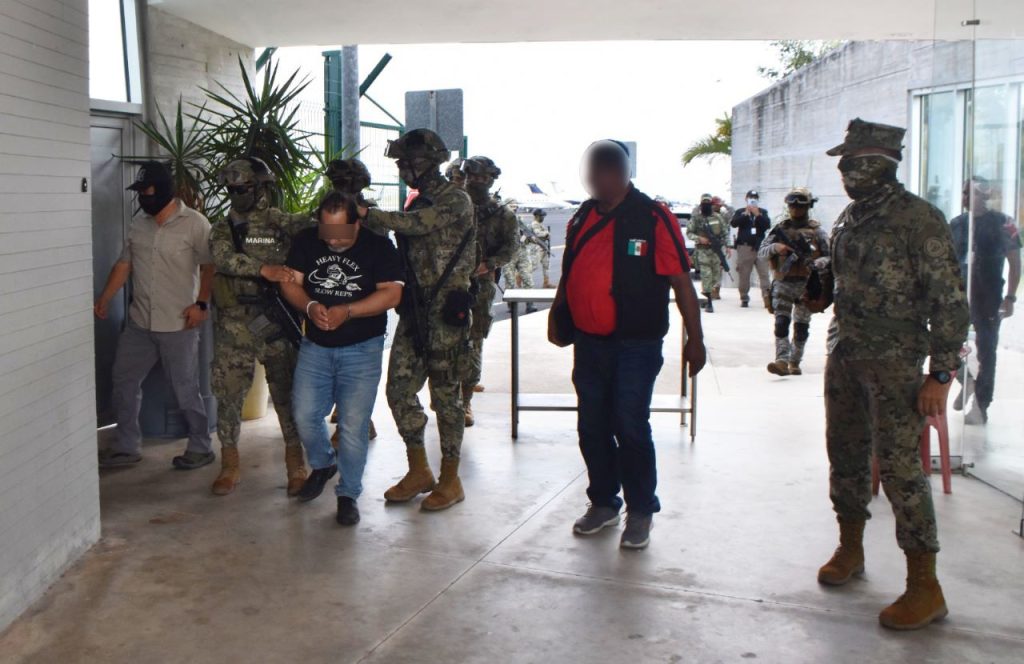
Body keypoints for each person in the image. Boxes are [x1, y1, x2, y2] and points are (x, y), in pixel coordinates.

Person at [814, 118, 969, 630]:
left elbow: (949, 302)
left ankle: (925, 585)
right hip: (846, 353)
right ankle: (851, 548)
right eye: (843, 163)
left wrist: (940, 375)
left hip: (897, 362)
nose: (844, 171)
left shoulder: (917, 219)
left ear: (880, 163)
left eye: (852, 162)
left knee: (901, 469)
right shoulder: (850, 217)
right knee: (845, 453)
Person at [550, 140, 707, 550]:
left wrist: (696, 339)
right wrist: (558, 314)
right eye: (590, 172)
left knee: (630, 425)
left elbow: (681, 282)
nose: (593, 180)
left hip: (636, 345)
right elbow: (571, 272)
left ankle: (640, 510)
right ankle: (604, 502)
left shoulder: (652, 216)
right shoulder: (582, 216)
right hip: (589, 344)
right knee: (592, 426)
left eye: (602, 171)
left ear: (622, 174)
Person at [356, 128, 476, 511]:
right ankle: (419, 469)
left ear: (428, 162)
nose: (402, 168)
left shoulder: (454, 199)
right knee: (398, 390)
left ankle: (451, 479)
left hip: (446, 314)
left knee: (446, 397)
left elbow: (419, 224)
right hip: (416, 311)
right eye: (400, 163)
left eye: (408, 162)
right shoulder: (416, 200)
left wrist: (369, 214)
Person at [279, 192, 403, 525]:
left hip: (363, 349)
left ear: (356, 224)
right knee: (304, 414)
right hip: (315, 346)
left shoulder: (379, 246)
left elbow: (392, 294)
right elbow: (290, 283)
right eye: (327, 233)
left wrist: (348, 311)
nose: (333, 241)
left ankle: (348, 494)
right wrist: (309, 306)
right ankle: (323, 464)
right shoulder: (307, 240)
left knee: (352, 425)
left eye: (341, 234)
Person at [94, 161, 216, 470]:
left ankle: (201, 446)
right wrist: (105, 298)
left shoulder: (195, 223)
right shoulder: (139, 224)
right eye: (140, 192)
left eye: (147, 192)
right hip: (140, 323)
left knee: (185, 389)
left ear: (163, 190)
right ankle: (126, 446)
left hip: (179, 323)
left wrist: (201, 304)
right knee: (124, 381)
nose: (143, 198)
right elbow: (125, 264)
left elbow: (210, 266)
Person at [207, 158, 311, 496]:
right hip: (234, 322)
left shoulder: (281, 222)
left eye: (244, 188)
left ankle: (295, 464)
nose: (237, 194)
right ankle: (229, 464)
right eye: (232, 190)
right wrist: (263, 269)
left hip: (274, 319)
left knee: (286, 392)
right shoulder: (223, 227)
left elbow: (318, 228)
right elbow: (223, 258)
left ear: (261, 187)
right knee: (228, 392)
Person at [949, 178, 1021, 425]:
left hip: (989, 297)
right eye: (964, 193)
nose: (966, 197)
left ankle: (981, 404)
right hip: (958, 298)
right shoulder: (957, 224)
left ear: (985, 196)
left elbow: (1015, 262)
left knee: (986, 352)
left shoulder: (1003, 222)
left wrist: (1010, 298)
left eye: (972, 193)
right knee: (947, 346)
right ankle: (967, 381)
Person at [459, 155, 519, 426]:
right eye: (472, 177)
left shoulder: (502, 215)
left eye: (483, 178)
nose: (477, 182)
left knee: (473, 340)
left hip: (481, 285)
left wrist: (488, 264)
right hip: (448, 283)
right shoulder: (453, 207)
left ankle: (465, 400)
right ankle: (445, 394)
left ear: (492, 180)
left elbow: (511, 248)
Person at [325, 157, 380, 442]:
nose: (344, 187)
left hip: (361, 300)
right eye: (339, 182)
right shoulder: (326, 213)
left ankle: (359, 421)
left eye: (349, 182)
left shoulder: (370, 215)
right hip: (330, 297)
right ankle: (346, 412)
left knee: (359, 368)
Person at [758, 187, 830, 376]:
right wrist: (776, 247)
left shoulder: (817, 232)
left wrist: (817, 263)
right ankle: (781, 360)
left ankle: (795, 361)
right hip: (783, 282)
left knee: (801, 326)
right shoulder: (780, 230)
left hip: (807, 284)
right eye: (792, 206)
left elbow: (829, 256)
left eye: (800, 206)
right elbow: (762, 251)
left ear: (808, 207)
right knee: (781, 322)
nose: (796, 210)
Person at [686, 193, 730, 311]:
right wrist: (699, 239)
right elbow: (689, 233)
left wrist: (728, 246)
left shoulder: (717, 217)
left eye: (708, 203)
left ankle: (707, 296)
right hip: (702, 251)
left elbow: (725, 232)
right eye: (704, 203)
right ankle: (709, 302)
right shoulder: (696, 218)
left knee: (716, 277)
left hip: (716, 251)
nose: (706, 205)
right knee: (706, 275)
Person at [731, 189, 772, 309]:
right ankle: (744, 297)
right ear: (746, 199)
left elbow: (767, 225)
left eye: (755, 198)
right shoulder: (740, 212)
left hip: (760, 248)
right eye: (750, 198)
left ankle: (767, 297)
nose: (753, 200)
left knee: (764, 274)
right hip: (745, 247)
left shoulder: (763, 212)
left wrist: (757, 215)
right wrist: (746, 214)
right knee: (744, 274)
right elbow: (734, 223)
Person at [502, 218, 538, 312]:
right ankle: (511, 305)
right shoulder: (503, 224)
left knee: (527, 278)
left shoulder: (523, 225)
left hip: (523, 255)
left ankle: (530, 304)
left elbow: (533, 240)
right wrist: (521, 237)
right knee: (509, 280)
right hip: (509, 255)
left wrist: (531, 237)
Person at [530, 209, 554, 288]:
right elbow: (538, 234)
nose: (543, 217)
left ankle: (546, 283)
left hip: (544, 247)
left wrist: (547, 235)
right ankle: (522, 276)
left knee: (546, 265)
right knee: (534, 265)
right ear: (537, 216)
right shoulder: (534, 224)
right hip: (537, 247)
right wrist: (546, 233)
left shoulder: (540, 224)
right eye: (542, 216)